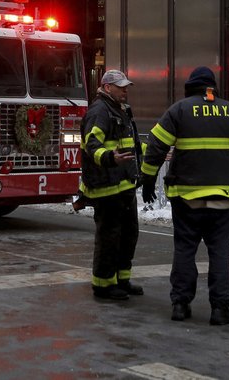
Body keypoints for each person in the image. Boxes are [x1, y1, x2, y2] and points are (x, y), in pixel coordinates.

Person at [141, 66, 229, 326]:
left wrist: (148, 179)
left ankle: (180, 305)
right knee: (219, 252)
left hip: (187, 197)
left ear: (190, 87)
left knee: (184, 249)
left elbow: (156, 146)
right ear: (213, 87)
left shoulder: (179, 110)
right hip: (224, 197)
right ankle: (220, 309)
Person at [79, 69, 144, 301]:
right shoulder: (100, 111)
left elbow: (128, 145)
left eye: (126, 86)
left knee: (128, 235)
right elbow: (91, 143)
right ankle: (103, 285)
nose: (125, 89)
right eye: (121, 86)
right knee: (110, 237)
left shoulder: (119, 110)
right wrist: (109, 158)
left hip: (124, 185)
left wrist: (149, 154)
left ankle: (122, 280)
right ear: (107, 88)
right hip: (107, 186)